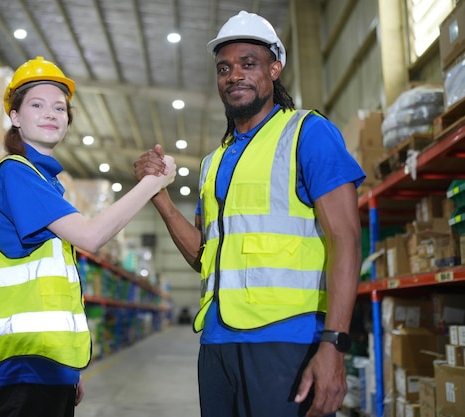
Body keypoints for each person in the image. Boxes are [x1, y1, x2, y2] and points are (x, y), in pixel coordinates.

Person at [134, 11, 365, 417]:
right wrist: (159, 197)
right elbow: (205, 256)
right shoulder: (214, 162)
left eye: (248, 64)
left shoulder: (307, 133)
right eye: (224, 68)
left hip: (288, 341)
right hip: (218, 344)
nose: (233, 75)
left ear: (274, 69)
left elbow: (345, 239)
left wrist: (334, 344)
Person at [0, 56, 176, 417]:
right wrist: (153, 184)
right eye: (37, 104)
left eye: (59, 108)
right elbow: (92, 236)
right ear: (15, 117)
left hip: (47, 366)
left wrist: (69, 367)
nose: (50, 113)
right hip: (19, 367)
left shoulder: (46, 183)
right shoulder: (16, 173)